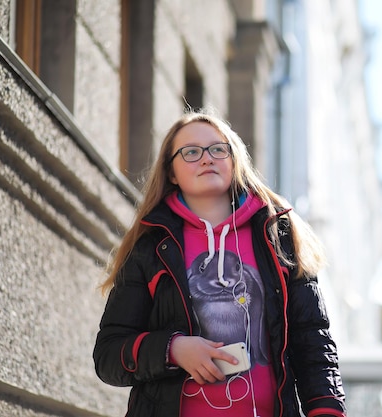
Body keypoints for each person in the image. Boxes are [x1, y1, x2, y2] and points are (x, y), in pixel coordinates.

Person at [93, 109, 347, 417]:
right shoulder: (151, 248)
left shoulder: (278, 234)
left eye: (217, 149)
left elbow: (313, 342)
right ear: (171, 172)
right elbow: (108, 355)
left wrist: (328, 412)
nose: (206, 158)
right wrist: (173, 349)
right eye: (190, 152)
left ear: (233, 159)